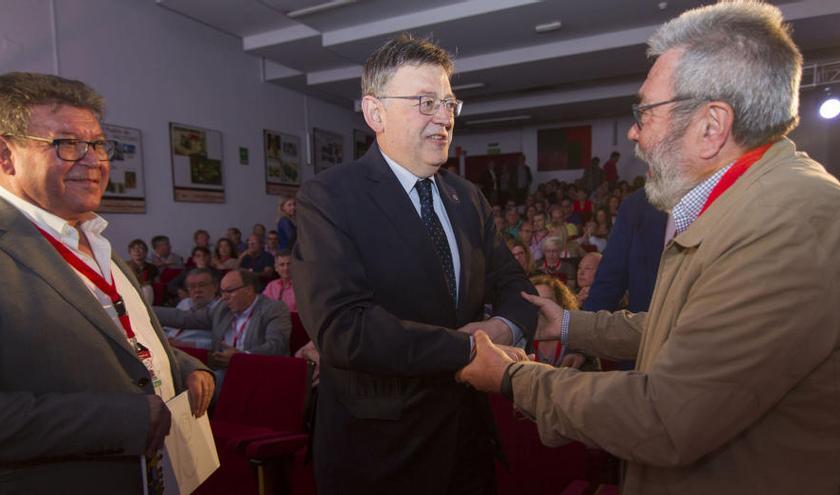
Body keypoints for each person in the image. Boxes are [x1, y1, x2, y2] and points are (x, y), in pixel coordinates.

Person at [458, 3, 840, 493]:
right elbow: (681, 330)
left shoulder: (791, 223)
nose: (635, 132)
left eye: (645, 112)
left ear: (711, 126)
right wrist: (570, 324)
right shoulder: (748, 205)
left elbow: (664, 417)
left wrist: (515, 379)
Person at [290, 34, 537, 494]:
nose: (444, 118)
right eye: (426, 102)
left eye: (448, 102)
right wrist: (465, 351)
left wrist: (496, 331)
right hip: (381, 455)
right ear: (375, 112)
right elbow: (344, 329)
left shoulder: (468, 197)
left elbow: (518, 288)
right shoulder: (330, 197)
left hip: (468, 445)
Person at [0, 71, 213, 493]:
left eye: (98, 144)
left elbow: (119, 340)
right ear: (6, 156)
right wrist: (122, 420)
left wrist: (182, 368)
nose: (95, 161)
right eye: (67, 144)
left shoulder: (96, 241)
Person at [154, 269, 291, 369]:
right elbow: (184, 318)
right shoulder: (223, 308)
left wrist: (241, 357)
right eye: (222, 292)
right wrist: (145, 309)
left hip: (258, 370)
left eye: (229, 291)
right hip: (222, 367)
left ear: (248, 290)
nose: (224, 297)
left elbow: (276, 345)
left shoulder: (273, 309)